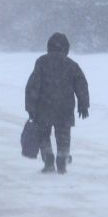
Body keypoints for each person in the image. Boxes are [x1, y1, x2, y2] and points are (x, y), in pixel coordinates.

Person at [25, 33, 89, 174]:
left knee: (43, 134)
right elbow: (81, 85)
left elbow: (33, 86)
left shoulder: (41, 62)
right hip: (64, 108)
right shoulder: (71, 65)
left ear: (48, 47)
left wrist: (30, 106)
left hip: (44, 107)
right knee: (63, 135)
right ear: (66, 48)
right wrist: (83, 103)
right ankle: (62, 159)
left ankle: (48, 159)